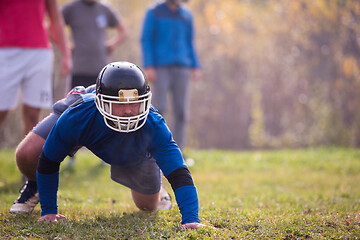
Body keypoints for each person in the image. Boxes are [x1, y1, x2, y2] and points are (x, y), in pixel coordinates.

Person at [12, 61, 202, 229]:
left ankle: (157, 188)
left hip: (133, 151)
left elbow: (179, 173)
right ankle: (35, 186)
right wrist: (49, 211)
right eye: (120, 104)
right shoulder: (77, 116)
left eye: (134, 103)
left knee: (147, 206)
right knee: (28, 153)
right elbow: (49, 160)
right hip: (87, 116)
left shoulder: (154, 124)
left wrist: (191, 219)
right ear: (100, 102)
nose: (128, 111)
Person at [0, 0, 72, 137]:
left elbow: (56, 19)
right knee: (1, 110)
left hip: (39, 53)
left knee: (33, 114)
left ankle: (26, 157)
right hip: (5, 51)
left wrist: (66, 54)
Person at [140, 0, 201, 150]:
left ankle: (178, 151)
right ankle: (156, 148)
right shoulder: (154, 12)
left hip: (183, 68)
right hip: (161, 67)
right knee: (159, 108)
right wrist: (149, 65)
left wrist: (195, 65)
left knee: (181, 112)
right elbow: (146, 40)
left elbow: (190, 42)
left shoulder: (186, 15)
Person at [62, 0, 127, 89]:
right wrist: (65, 46)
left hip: (101, 71)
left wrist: (112, 44)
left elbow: (123, 31)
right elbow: (53, 25)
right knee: (77, 101)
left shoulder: (104, 8)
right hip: (79, 70)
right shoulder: (72, 8)